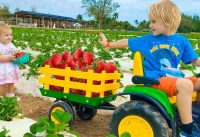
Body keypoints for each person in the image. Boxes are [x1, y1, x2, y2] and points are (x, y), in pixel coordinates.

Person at [99, 0, 200, 136]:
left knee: (193, 83)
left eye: (153, 21)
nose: (150, 25)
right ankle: (187, 130)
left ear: (167, 21)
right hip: (156, 80)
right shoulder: (147, 40)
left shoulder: (182, 41)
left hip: (173, 79)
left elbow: (195, 60)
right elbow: (126, 42)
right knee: (186, 84)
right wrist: (108, 44)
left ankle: (196, 115)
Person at [0, 23, 21, 98]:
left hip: (11, 68)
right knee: (1, 84)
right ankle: (1, 96)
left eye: (10, 34)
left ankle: (11, 95)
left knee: (11, 82)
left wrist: (19, 55)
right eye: (6, 35)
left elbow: (15, 52)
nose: (9, 37)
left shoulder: (10, 44)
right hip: (2, 68)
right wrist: (8, 58)